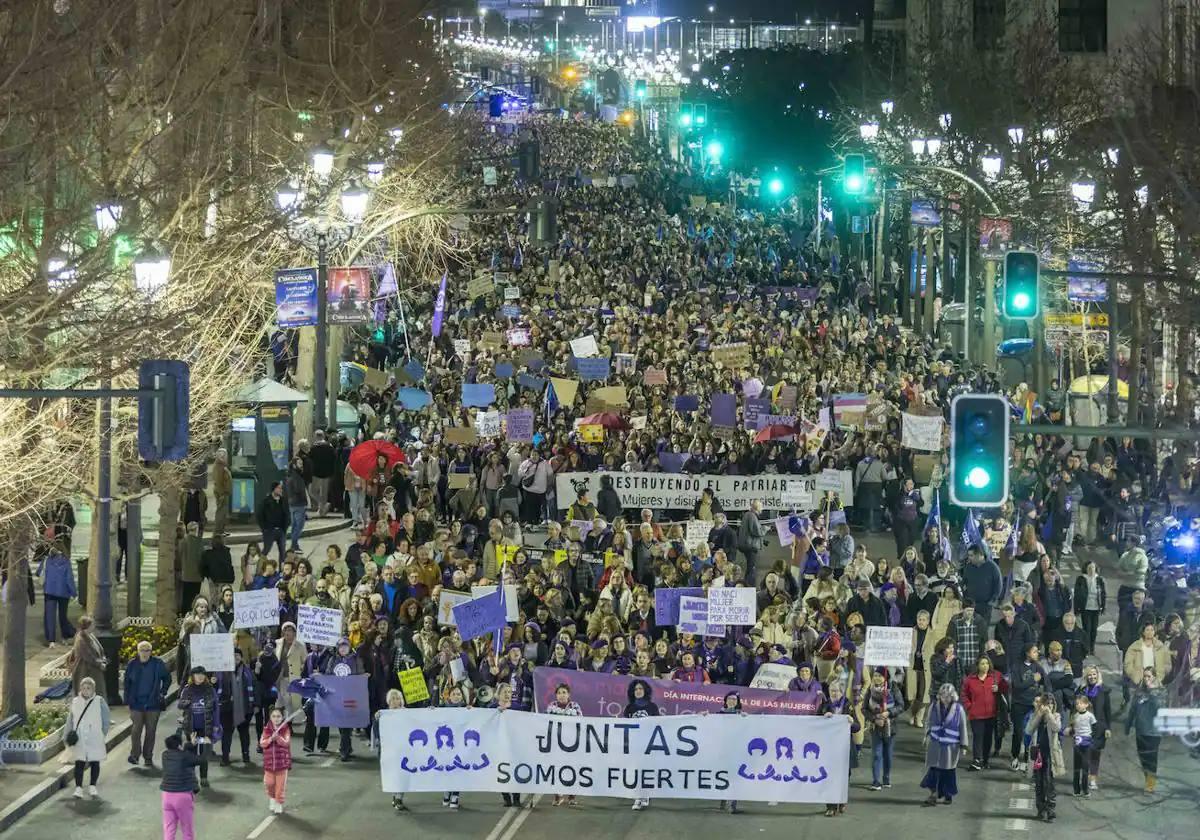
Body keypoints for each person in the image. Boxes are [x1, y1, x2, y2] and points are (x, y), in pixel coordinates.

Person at [123, 639, 172, 768]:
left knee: (151, 731)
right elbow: (126, 684)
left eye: (147, 650)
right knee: (136, 730)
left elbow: (167, 678)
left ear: (151, 652)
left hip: (153, 703)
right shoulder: (132, 664)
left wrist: (163, 692)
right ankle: (134, 755)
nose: (145, 653)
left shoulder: (158, 664)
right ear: (138, 652)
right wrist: (127, 700)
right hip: (136, 703)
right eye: (142, 650)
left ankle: (148, 757)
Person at [921, 682, 969, 806]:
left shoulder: (959, 709)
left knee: (948, 771)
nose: (945, 698)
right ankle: (933, 794)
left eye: (948, 696)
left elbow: (963, 727)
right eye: (943, 696)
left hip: (951, 746)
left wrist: (964, 745)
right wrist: (926, 736)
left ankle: (948, 794)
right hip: (935, 743)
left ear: (953, 696)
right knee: (934, 769)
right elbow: (928, 721)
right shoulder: (934, 706)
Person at [67, 676, 111, 799]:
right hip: (80, 737)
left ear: (93, 689)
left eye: (89, 688)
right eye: (84, 688)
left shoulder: (99, 701)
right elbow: (70, 719)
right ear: (80, 689)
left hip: (94, 736)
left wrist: (102, 733)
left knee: (94, 762)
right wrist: (68, 734)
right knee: (79, 762)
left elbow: (106, 719)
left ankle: (92, 786)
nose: (86, 690)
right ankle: (78, 788)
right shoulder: (75, 701)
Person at [961, 655, 1007, 771]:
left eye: (987, 663)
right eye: (982, 664)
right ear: (977, 666)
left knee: (987, 738)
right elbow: (964, 694)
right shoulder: (970, 680)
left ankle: (985, 760)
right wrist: (969, 706)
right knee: (977, 737)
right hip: (976, 715)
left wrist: (999, 688)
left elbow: (1006, 687)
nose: (985, 666)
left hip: (991, 714)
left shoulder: (996, 676)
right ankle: (977, 759)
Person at [177, 666, 219, 789]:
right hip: (191, 728)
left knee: (204, 753)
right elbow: (180, 704)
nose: (200, 677)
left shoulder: (210, 690)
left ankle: (204, 777)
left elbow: (216, 708)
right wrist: (187, 703)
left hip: (206, 727)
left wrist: (216, 725)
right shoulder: (187, 689)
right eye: (197, 674)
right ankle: (191, 778)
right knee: (192, 753)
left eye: (202, 674)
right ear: (193, 676)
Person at [1125, 667, 1165, 794]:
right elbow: (1132, 709)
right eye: (1145, 676)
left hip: (1153, 731)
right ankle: (1147, 778)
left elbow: (1160, 708)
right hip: (1140, 730)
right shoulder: (1139, 692)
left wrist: (1152, 691)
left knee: (1151, 757)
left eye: (1149, 676)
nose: (1146, 679)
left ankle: (1150, 783)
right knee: (1143, 757)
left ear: (1154, 677)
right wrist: (1128, 725)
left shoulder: (1160, 692)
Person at [623, 679, 661, 810]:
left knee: (646, 770)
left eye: (640, 689)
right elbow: (625, 726)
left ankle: (645, 795)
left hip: (648, 744)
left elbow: (658, 725)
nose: (638, 691)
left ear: (645, 691)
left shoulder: (652, 707)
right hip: (634, 744)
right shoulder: (629, 708)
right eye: (636, 689)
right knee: (635, 770)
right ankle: (637, 796)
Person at [1027, 693, 1064, 822]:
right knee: (1039, 783)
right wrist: (1039, 714)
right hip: (1038, 754)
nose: (1049, 706)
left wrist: (1048, 715)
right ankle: (1041, 809)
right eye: (1046, 703)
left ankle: (1051, 811)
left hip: (1050, 755)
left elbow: (1057, 728)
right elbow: (1029, 730)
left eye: (1051, 703)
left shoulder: (1056, 716)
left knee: (1049, 783)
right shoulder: (1036, 716)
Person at [863, 668, 902, 790]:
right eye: (875, 675)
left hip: (891, 727)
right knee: (876, 754)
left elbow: (901, 705)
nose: (877, 678)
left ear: (885, 677)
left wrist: (889, 713)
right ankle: (876, 781)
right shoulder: (870, 689)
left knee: (888, 755)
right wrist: (874, 719)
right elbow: (864, 709)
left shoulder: (893, 688)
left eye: (880, 676)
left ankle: (886, 778)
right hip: (876, 727)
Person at [1075, 665, 1113, 790]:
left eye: (1094, 674)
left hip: (1099, 728)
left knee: (1095, 754)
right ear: (1086, 676)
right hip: (1083, 728)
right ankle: (1084, 777)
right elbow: (1073, 710)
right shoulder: (1081, 691)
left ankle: (1092, 779)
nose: (1092, 677)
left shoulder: (1103, 691)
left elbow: (1107, 711)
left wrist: (1108, 728)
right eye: (1089, 675)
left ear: (1098, 675)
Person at [217, 648, 256, 767]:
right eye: (233, 655)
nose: (235, 657)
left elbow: (255, 688)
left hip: (245, 708)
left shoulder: (248, 672)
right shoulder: (221, 672)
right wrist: (213, 681)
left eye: (238, 655)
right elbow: (215, 688)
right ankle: (225, 757)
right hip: (227, 708)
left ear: (241, 657)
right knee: (227, 734)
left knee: (244, 733)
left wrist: (256, 704)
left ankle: (246, 755)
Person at [545, 683, 581, 806]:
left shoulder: (575, 706)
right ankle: (558, 796)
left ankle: (572, 796)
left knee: (572, 768)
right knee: (557, 768)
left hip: (572, 743)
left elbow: (582, 722)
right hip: (556, 743)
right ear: (556, 695)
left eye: (564, 692)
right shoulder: (551, 706)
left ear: (569, 694)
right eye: (559, 693)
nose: (561, 695)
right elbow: (545, 723)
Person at [160, 733, 202, 840]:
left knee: (169, 829)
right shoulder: (185, 756)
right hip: (182, 796)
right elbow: (201, 760)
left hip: (166, 796)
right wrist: (199, 743)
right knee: (187, 830)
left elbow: (183, 752)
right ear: (179, 745)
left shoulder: (164, 755)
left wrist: (188, 745)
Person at [37, 540, 76, 646]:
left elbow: (38, 572)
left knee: (49, 615)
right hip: (63, 592)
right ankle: (66, 636)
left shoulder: (47, 560)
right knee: (63, 615)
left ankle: (51, 640)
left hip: (49, 591)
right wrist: (74, 593)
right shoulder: (66, 561)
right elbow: (69, 578)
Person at [260, 706, 293, 814]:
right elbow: (262, 743)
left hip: (282, 765)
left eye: (278, 716)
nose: (276, 719)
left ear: (282, 717)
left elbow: (286, 743)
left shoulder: (286, 729)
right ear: (270, 717)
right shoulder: (266, 730)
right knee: (269, 784)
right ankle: (272, 798)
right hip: (269, 764)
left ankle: (278, 802)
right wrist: (270, 739)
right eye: (273, 716)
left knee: (280, 786)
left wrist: (278, 737)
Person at [1066, 693, 1097, 798]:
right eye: (1077, 704)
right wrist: (1071, 733)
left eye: (1080, 703)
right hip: (1077, 744)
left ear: (1086, 704)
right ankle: (1076, 789)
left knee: (1085, 768)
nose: (1078, 705)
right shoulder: (1075, 716)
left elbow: (1095, 729)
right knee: (1076, 768)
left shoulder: (1090, 716)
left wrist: (1093, 739)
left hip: (1087, 745)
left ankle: (1085, 790)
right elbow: (1072, 729)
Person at [67, 614, 107, 694]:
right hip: (85, 670)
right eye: (92, 624)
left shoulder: (91, 635)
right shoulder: (81, 639)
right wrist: (99, 664)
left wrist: (103, 659)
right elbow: (88, 656)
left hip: (94, 670)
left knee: (98, 691)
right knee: (88, 692)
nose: (94, 626)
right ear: (87, 626)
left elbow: (99, 649)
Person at [257, 481, 289, 561]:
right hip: (269, 531)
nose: (281, 490)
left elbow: (287, 514)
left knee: (282, 552)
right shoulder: (266, 501)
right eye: (279, 488)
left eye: (281, 488)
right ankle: (258, 567)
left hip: (281, 531)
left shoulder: (283, 500)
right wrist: (264, 528)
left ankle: (282, 570)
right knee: (266, 550)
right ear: (274, 489)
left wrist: (285, 527)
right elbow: (259, 515)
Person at [737, 500, 764, 583]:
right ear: (757, 508)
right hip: (750, 546)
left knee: (750, 566)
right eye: (761, 507)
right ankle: (748, 586)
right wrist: (765, 529)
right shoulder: (752, 516)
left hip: (745, 544)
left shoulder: (747, 515)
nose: (762, 509)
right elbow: (757, 532)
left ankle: (747, 585)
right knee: (751, 567)